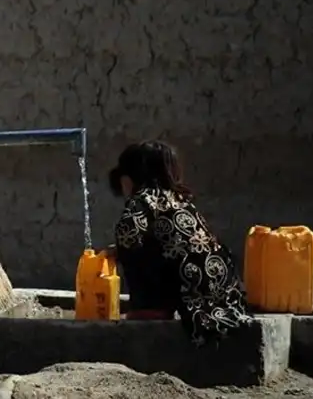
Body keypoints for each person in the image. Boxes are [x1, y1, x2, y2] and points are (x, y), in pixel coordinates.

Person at [107, 140, 252, 345]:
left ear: (128, 177)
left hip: (189, 295)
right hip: (223, 294)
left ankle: (148, 310)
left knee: (130, 251)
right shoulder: (180, 202)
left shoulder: (143, 199)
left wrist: (119, 252)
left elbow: (128, 237)